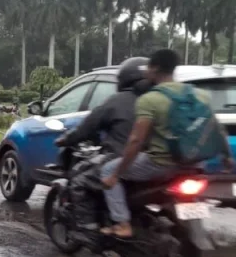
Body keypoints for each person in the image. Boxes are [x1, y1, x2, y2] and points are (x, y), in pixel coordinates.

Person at [100, 49, 235, 238]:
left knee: (107, 170)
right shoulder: (200, 95)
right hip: (194, 164)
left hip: (160, 164)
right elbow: (217, 130)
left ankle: (122, 223)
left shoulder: (149, 99)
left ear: (154, 68)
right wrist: (227, 157)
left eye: (148, 67)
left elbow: (136, 140)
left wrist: (117, 173)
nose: (146, 70)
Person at [55, 56, 147, 156]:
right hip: (153, 163)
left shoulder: (117, 100)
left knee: (84, 170)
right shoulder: (159, 100)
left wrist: (65, 139)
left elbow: (86, 127)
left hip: (119, 160)